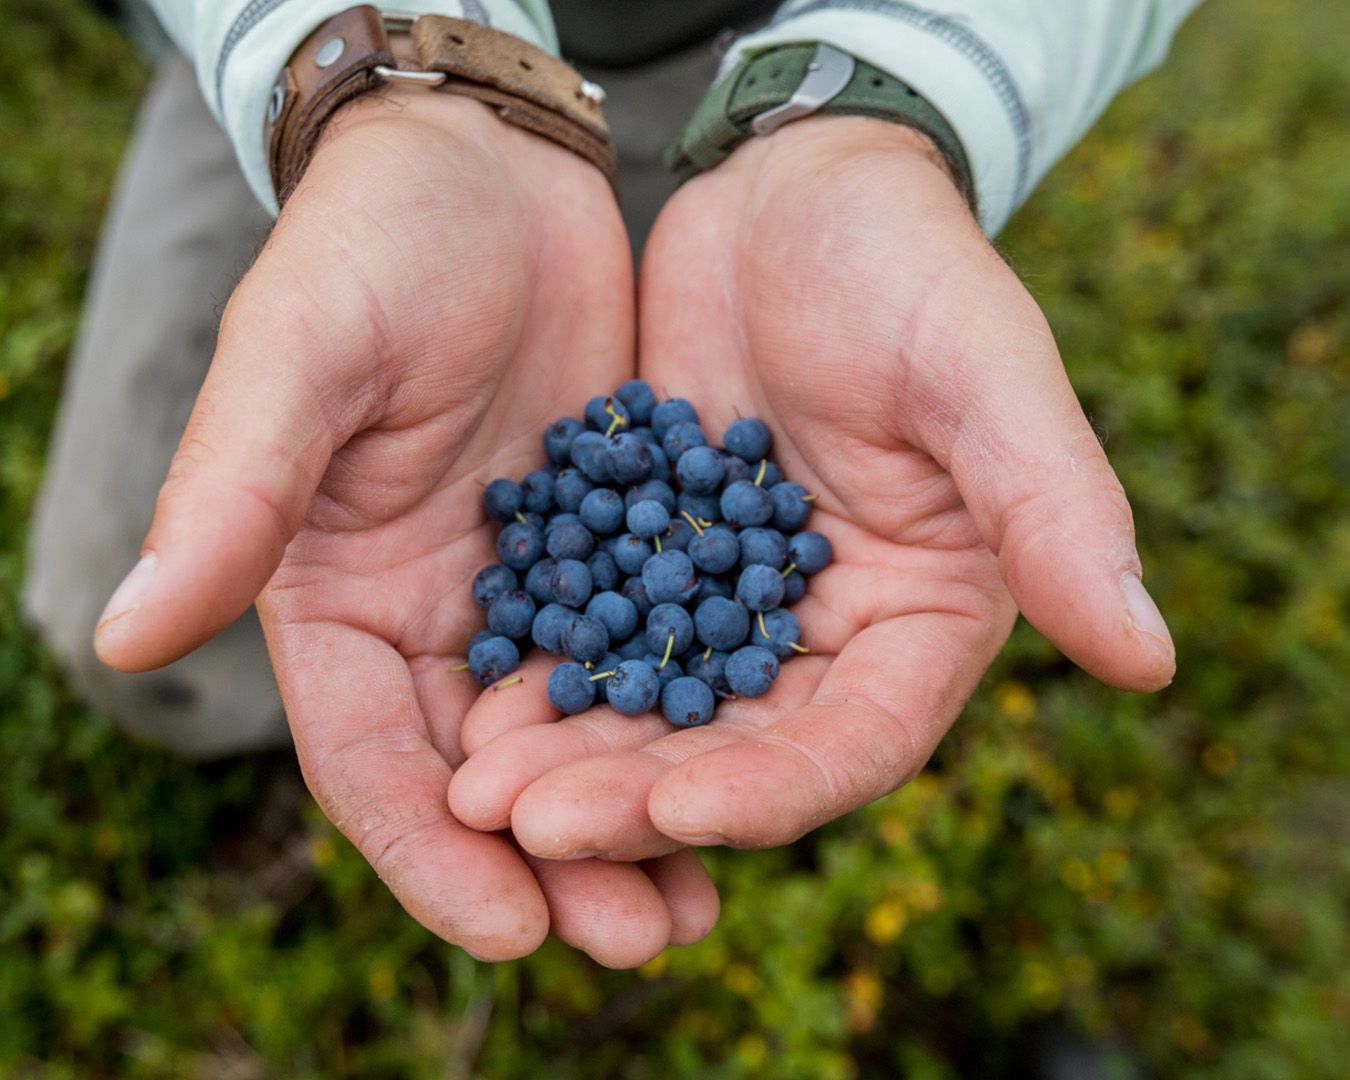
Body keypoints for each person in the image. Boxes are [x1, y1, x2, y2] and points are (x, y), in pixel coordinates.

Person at [24, 0, 1195, 968]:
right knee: (118, 604)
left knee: (399, 591)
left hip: (788, 53)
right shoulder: (644, 544)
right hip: (336, 51)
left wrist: (892, 93)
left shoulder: (684, 548)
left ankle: (415, 766)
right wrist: (364, 78)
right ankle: (288, 764)